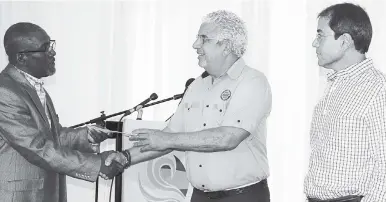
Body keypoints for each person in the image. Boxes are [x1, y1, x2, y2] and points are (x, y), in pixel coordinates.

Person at [107, 10, 272, 202]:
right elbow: (168, 135)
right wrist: (125, 157)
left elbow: (228, 138)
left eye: (204, 39)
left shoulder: (252, 81)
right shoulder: (196, 86)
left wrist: (168, 140)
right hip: (199, 196)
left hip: (242, 197)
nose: (195, 45)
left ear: (226, 46)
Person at [0, 22, 124, 202]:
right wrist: (97, 165)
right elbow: (37, 147)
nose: (53, 52)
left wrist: (86, 136)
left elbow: (52, 136)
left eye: (51, 45)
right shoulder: (5, 91)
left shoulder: (35, 88)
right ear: (22, 58)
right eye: (45, 48)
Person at [304, 3, 386, 202]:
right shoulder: (334, 85)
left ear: (345, 41)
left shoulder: (378, 89)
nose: (314, 43)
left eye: (320, 35)